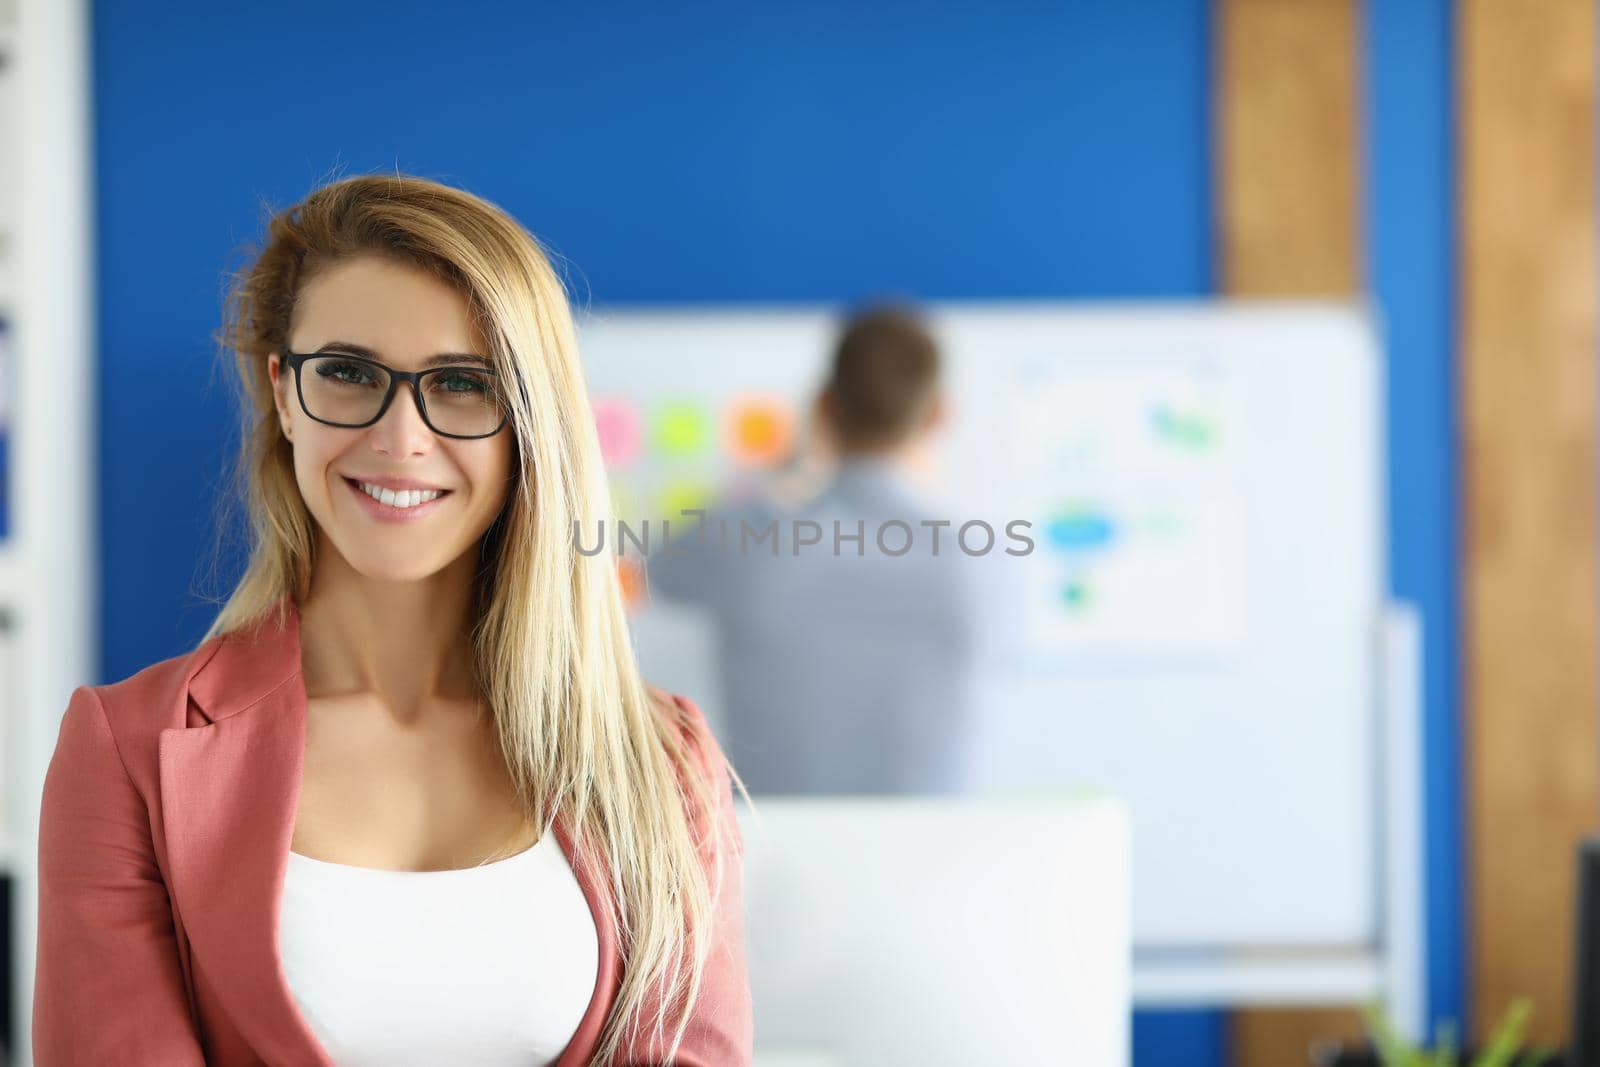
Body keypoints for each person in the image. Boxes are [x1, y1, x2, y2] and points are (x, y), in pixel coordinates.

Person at [33, 174, 753, 1067]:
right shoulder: (125, 749)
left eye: (460, 384)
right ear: (284, 392)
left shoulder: (665, 760)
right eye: (346, 373)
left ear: (531, 422)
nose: (400, 438)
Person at [646, 305, 996, 796]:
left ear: (824, 406)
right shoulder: (984, 563)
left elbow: (659, 566)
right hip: (933, 856)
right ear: (940, 413)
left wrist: (780, 470)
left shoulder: (744, 542)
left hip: (774, 858)